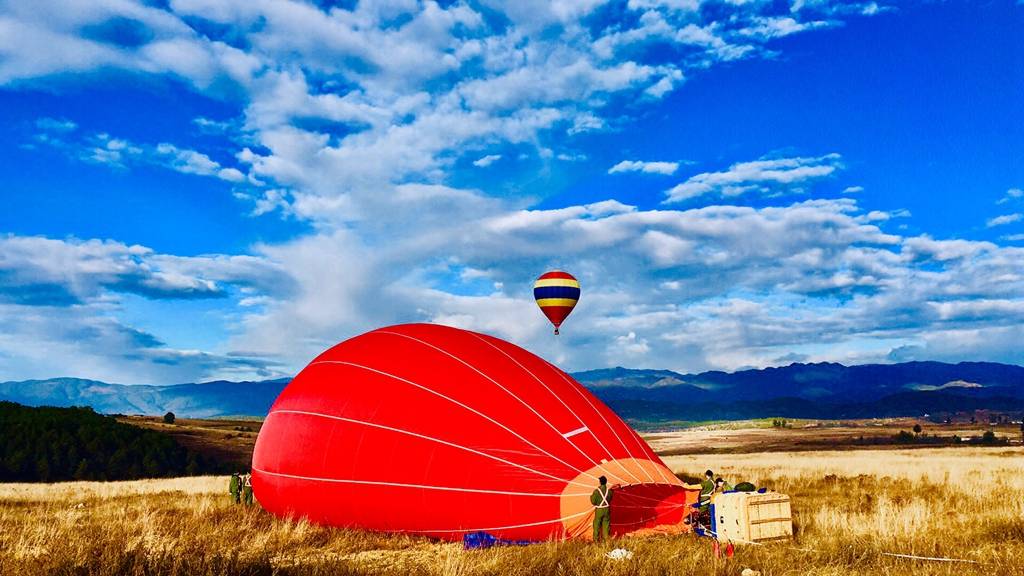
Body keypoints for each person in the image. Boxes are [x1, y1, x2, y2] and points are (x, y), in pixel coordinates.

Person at [590, 476, 613, 542]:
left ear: (600, 482)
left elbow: (593, 501)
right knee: (606, 525)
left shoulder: (597, 491)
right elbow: (610, 499)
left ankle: (596, 540)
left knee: (597, 524)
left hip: (599, 510)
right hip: (607, 509)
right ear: (606, 482)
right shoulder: (609, 491)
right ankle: (606, 540)